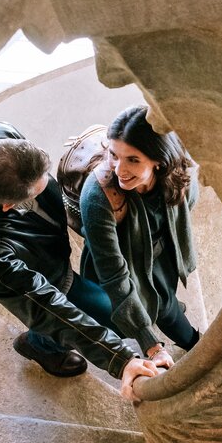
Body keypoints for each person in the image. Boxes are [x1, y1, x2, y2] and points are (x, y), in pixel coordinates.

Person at [0, 120, 171, 400]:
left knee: (118, 301)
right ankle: (40, 345)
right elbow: (45, 305)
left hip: (45, 246)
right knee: (109, 318)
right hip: (43, 272)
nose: (48, 186)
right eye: (36, 192)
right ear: (8, 207)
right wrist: (121, 359)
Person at [80, 105, 200, 364]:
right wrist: (151, 345)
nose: (119, 170)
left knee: (164, 302)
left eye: (133, 159)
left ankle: (192, 340)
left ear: (160, 161)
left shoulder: (178, 173)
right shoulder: (97, 196)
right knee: (106, 319)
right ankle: (42, 342)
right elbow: (113, 274)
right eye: (114, 155)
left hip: (159, 254)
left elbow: (188, 205)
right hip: (119, 258)